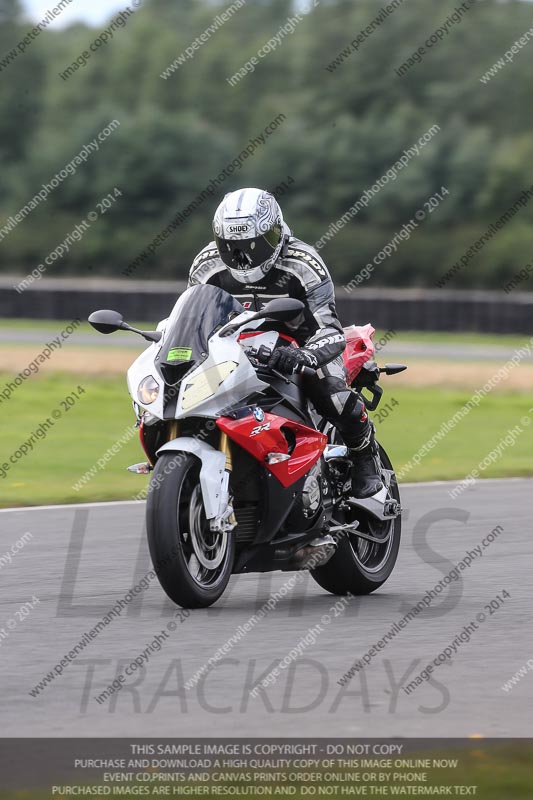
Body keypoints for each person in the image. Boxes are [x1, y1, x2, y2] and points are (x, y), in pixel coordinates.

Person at [187, 187, 383, 498]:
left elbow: (329, 328)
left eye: (253, 246)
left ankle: (364, 455)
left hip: (303, 344)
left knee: (331, 394)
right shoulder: (207, 264)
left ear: (274, 233)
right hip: (236, 348)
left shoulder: (302, 262)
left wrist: (305, 355)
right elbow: (195, 319)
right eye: (232, 247)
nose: (243, 257)